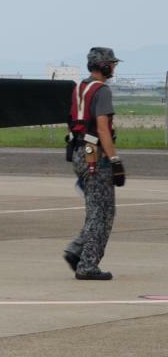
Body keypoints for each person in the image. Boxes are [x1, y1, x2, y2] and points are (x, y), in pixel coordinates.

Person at [64, 46, 123, 279]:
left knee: (95, 209)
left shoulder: (81, 87)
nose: (114, 68)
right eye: (112, 63)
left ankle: (77, 250)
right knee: (103, 213)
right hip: (95, 155)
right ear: (104, 65)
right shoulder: (102, 91)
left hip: (80, 151)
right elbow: (102, 129)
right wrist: (115, 160)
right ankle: (88, 265)